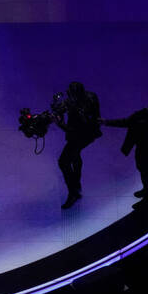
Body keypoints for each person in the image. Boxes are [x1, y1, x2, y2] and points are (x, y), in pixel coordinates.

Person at [102, 107, 148, 206]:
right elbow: (123, 122)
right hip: (140, 152)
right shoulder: (138, 121)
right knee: (143, 171)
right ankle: (146, 190)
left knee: (146, 173)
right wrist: (106, 122)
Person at [53, 81, 102, 209]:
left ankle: (73, 191)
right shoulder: (90, 97)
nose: (69, 98)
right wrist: (60, 109)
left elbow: (74, 129)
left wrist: (60, 123)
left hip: (82, 135)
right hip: (86, 134)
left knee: (63, 162)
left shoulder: (79, 107)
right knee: (75, 155)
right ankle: (77, 186)